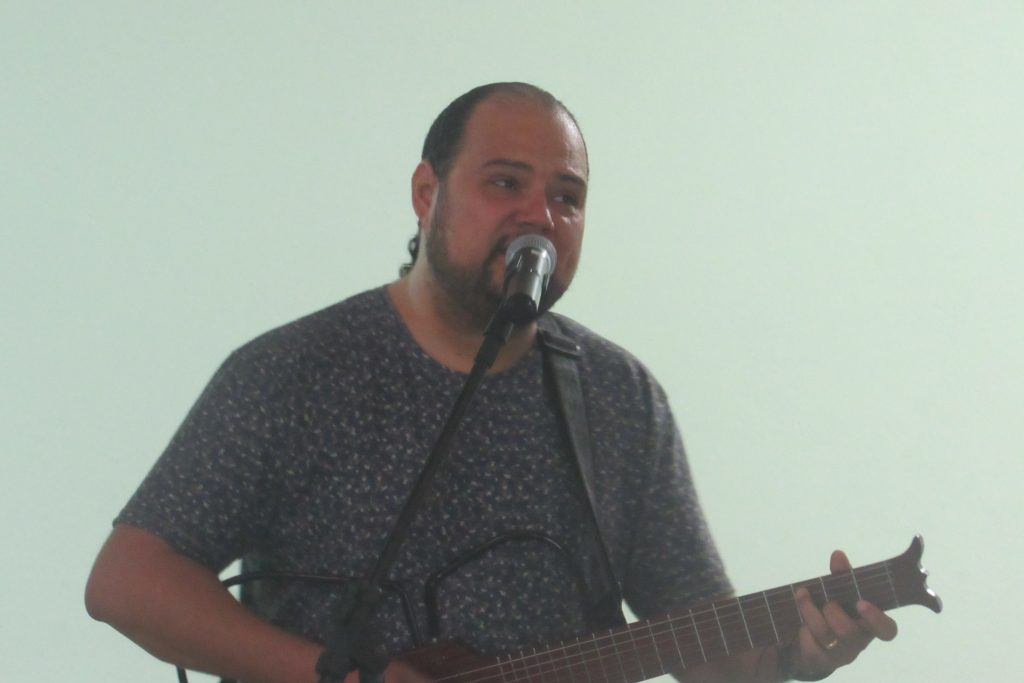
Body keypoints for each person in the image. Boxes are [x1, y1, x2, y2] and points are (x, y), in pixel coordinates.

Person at [85, 82, 898, 683]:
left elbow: (705, 643)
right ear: (426, 193)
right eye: (506, 182)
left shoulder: (619, 397)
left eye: (567, 197)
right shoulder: (297, 372)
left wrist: (797, 652)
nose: (540, 215)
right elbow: (128, 581)